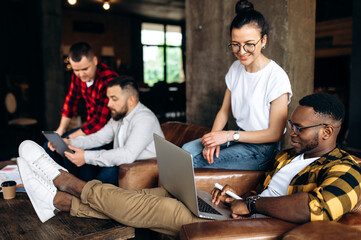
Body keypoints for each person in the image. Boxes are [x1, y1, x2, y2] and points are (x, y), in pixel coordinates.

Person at [17, 92, 361, 236]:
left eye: (298, 128)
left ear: (328, 131)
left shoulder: (347, 168)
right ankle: (57, 201)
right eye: (291, 125)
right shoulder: (290, 155)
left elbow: (315, 209)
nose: (290, 132)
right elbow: (266, 190)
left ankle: (64, 182)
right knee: (152, 197)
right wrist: (231, 196)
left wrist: (250, 203)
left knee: (148, 209)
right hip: (240, 212)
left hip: (255, 228)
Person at [182, 0, 292, 170]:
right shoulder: (236, 68)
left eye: (249, 44)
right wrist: (213, 139)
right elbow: (224, 111)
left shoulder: (276, 77)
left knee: (192, 162)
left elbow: (275, 133)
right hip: (238, 137)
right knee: (185, 151)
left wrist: (228, 136)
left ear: (263, 40)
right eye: (235, 45)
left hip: (263, 149)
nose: (241, 52)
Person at [47, 76, 164, 185]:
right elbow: (99, 138)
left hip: (140, 168)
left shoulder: (145, 119)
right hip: (122, 162)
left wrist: (86, 157)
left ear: (131, 100)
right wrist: (70, 142)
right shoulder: (120, 116)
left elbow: (127, 155)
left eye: (114, 99)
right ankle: (80, 191)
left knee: (105, 169)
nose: (108, 104)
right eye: (108, 98)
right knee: (79, 155)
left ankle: (87, 195)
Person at [43, 42, 118, 165]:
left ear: (95, 60)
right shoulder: (77, 76)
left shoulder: (108, 80)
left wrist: (67, 140)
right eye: (76, 70)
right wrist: (60, 131)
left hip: (108, 136)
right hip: (89, 129)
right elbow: (70, 102)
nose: (81, 74)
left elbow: (98, 122)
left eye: (85, 69)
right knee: (48, 146)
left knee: (68, 150)